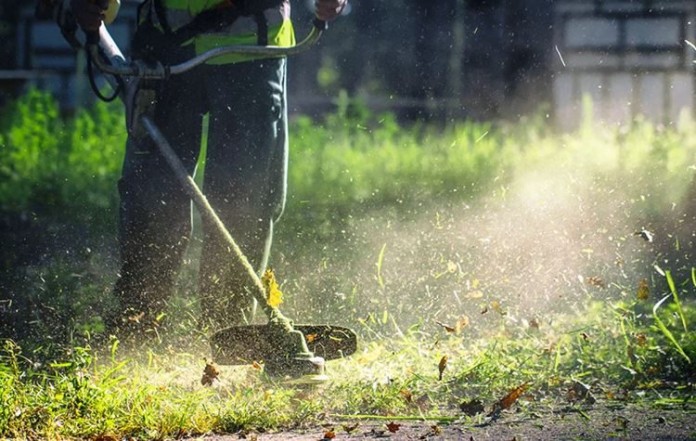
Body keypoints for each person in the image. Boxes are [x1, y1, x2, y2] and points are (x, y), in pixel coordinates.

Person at [68, 0, 347, 338]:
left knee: (244, 201)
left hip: (253, 48)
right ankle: (136, 325)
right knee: (153, 198)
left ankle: (229, 332)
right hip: (167, 48)